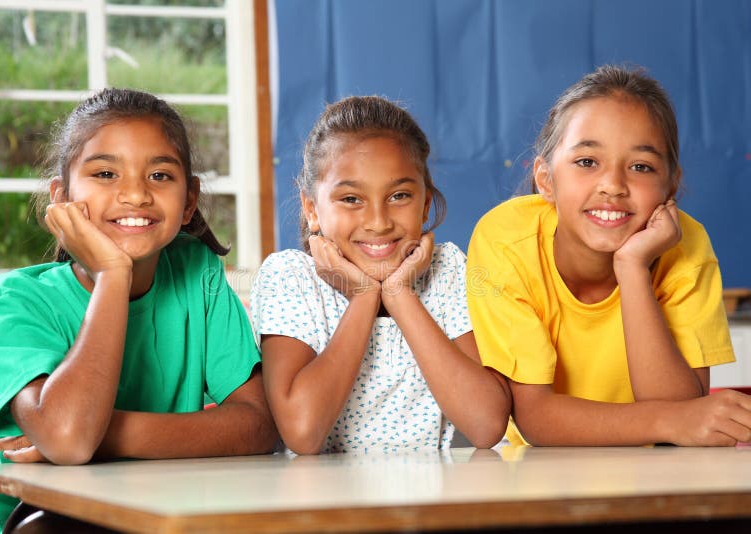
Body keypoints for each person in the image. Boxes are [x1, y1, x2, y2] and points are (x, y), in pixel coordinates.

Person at [0, 88, 278, 533]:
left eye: (161, 176)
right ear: (61, 198)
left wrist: (105, 434)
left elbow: (261, 425)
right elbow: (70, 439)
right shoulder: (19, 301)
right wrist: (113, 274)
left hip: (156, 520)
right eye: (106, 172)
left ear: (189, 201)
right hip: (34, 525)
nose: (134, 194)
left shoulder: (197, 273)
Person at [466, 65, 751, 446]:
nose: (613, 185)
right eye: (587, 162)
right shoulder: (505, 240)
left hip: (657, 470)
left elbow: (685, 409)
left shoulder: (688, 247)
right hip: (537, 470)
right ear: (546, 180)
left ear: (672, 186)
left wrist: (632, 268)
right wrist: (672, 420)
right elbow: (535, 416)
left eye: (641, 167)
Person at [250, 95, 511, 455]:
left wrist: (400, 294)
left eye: (399, 195)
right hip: (320, 503)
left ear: (425, 205)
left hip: (429, 502)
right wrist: (363, 296)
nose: (378, 222)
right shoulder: (290, 278)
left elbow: (486, 426)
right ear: (312, 209)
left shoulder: (447, 270)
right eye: (351, 200)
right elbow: (302, 431)